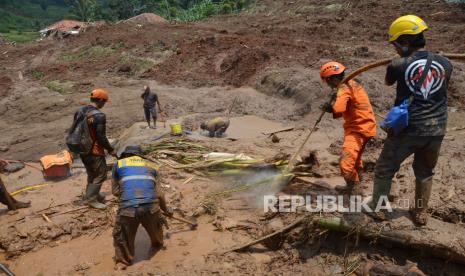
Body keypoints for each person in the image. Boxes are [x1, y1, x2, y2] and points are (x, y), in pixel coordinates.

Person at [369, 15, 453, 225]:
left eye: (396, 44)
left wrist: (395, 62)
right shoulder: (446, 63)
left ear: (405, 42)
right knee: (425, 171)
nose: (395, 49)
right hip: (436, 128)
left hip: (408, 128)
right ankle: (421, 212)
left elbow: (389, 82)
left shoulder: (398, 64)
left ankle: (377, 209)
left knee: (385, 168)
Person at [111, 145, 172, 270]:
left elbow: (115, 191)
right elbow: (159, 193)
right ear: (141, 155)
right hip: (151, 207)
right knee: (157, 234)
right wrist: (166, 210)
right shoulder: (152, 165)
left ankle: (123, 261)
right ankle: (157, 244)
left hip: (128, 208)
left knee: (122, 236)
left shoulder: (118, 164)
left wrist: (129, 195)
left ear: (126, 155)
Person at [320, 61, 377, 194]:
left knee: (346, 163)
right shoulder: (354, 85)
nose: (328, 85)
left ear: (331, 78)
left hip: (357, 129)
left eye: (327, 81)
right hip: (368, 127)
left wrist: (330, 108)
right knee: (355, 159)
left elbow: (339, 109)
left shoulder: (344, 88)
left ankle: (353, 190)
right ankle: (358, 182)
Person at [72, 89, 116, 210]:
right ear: (101, 100)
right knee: (101, 174)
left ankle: (92, 194)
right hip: (93, 149)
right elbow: (101, 136)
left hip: (81, 147)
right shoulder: (99, 115)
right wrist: (110, 149)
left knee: (91, 172)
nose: (104, 104)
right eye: (105, 102)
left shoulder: (80, 110)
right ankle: (91, 199)